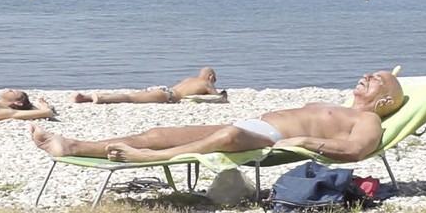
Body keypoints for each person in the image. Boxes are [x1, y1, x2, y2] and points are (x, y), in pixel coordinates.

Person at [34, 71, 404, 164]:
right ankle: (75, 145)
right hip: (257, 127)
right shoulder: (335, 105)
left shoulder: (368, 120)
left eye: (377, 79)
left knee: (226, 135)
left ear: (385, 98)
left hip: (271, 141)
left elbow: (356, 150)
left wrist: (304, 142)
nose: (368, 77)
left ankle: (153, 158)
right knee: (160, 129)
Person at [71, 67, 220, 104]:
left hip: (163, 90)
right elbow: (219, 99)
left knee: (132, 96)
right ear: (211, 77)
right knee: (130, 98)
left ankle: (86, 97)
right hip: (167, 96)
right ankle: (99, 98)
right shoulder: (206, 83)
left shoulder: (189, 79)